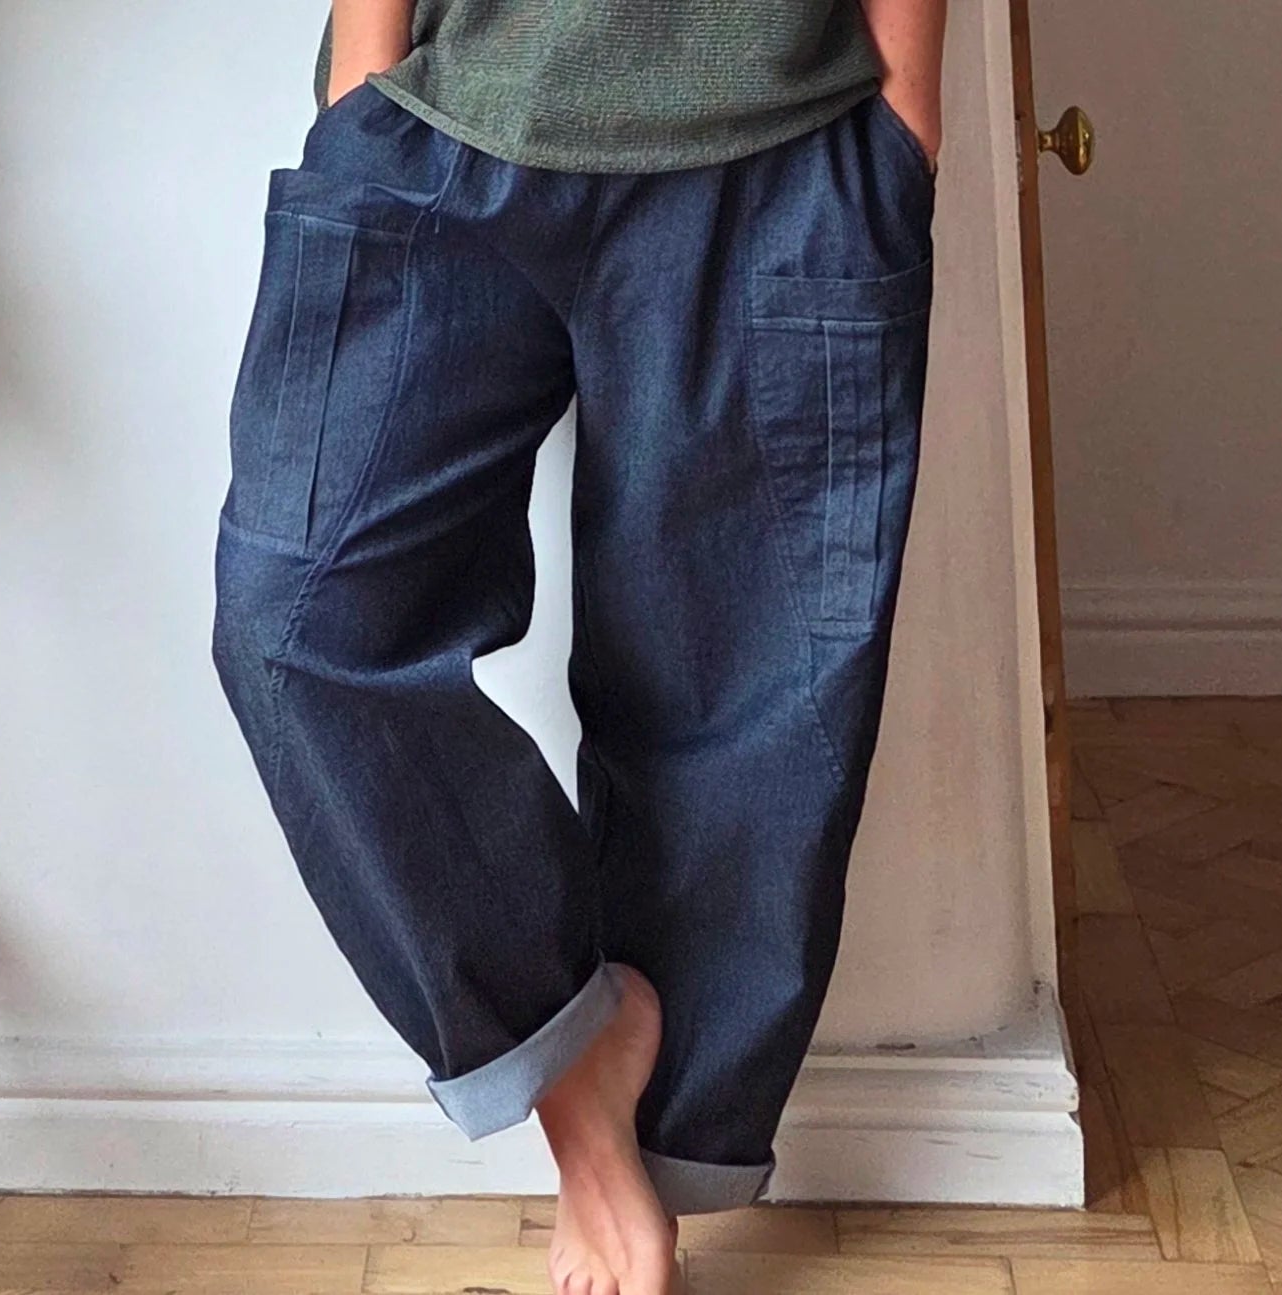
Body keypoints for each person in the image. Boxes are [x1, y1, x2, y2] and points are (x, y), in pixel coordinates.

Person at [213, 2, 947, 1292]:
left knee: (750, 698)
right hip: (440, 118)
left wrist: (906, 110)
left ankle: (639, 1150)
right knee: (298, 625)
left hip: (789, 144)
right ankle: (576, 1066)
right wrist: (364, 85)